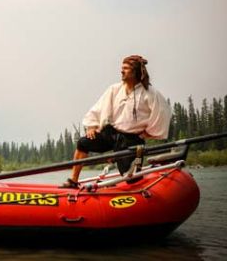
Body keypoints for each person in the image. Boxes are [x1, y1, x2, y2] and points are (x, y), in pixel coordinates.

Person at [62, 55, 171, 188]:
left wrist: (149, 133)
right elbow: (99, 107)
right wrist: (92, 126)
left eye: (125, 68)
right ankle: (73, 181)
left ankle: (140, 192)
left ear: (135, 71)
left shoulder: (150, 93)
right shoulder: (114, 89)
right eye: (122, 68)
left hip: (132, 139)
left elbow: (163, 112)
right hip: (110, 133)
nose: (122, 71)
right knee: (83, 143)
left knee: (131, 179)